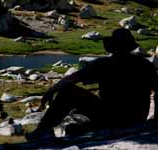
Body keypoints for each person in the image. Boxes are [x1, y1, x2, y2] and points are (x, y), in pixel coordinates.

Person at [26, 28, 158, 140]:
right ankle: (82, 129)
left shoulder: (104, 64)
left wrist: (51, 91)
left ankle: (43, 130)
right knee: (74, 129)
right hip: (136, 119)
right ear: (129, 47)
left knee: (68, 92)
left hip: (110, 117)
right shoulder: (145, 65)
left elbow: (71, 79)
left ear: (112, 47)